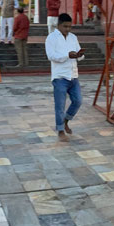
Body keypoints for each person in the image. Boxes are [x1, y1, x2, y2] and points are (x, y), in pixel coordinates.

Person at [45, 13, 85, 142]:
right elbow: (51, 56)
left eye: (70, 27)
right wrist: (67, 55)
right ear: (58, 25)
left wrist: (78, 55)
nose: (68, 29)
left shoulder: (73, 37)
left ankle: (66, 121)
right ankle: (60, 129)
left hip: (73, 75)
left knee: (78, 101)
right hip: (60, 76)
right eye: (65, 26)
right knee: (60, 105)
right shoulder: (51, 38)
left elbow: (80, 55)